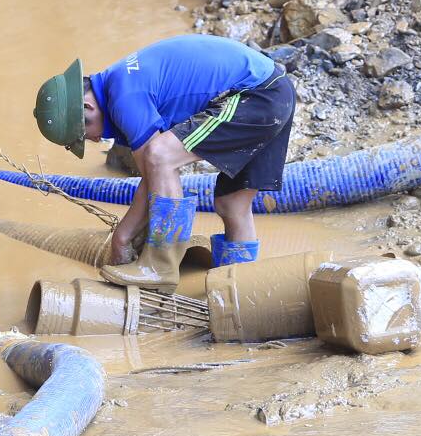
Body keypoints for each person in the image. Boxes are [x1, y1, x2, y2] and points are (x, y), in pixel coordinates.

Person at [33, 34, 297, 291]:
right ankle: (239, 294)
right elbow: (154, 182)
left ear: (88, 107)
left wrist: (122, 237)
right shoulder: (121, 79)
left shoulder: (124, 94)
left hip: (256, 96)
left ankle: (161, 266)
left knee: (161, 155)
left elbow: (154, 170)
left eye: (83, 134)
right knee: (232, 204)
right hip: (276, 90)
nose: (92, 140)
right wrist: (127, 234)